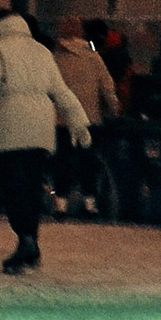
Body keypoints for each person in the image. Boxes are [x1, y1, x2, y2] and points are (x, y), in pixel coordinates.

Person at [0, 14, 94, 268]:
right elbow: (61, 92)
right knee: (31, 185)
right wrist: (79, 123)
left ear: (0, 29)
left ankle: (25, 239)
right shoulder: (42, 52)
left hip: (9, 127)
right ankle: (30, 241)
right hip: (40, 128)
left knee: (13, 186)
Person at [53, 17, 115, 214]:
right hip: (89, 117)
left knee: (62, 161)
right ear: (81, 33)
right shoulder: (93, 57)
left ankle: (60, 203)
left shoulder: (55, 58)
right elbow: (107, 86)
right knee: (88, 160)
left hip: (61, 119)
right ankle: (90, 202)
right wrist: (113, 109)